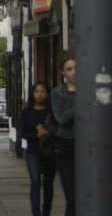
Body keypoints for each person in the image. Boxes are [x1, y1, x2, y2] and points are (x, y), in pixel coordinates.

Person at [20, 82, 56, 216]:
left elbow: (57, 130)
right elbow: (23, 133)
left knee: (48, 184)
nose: (39, 94)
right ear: (32, 94)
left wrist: (47, 133)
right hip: (33, 152)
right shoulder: (26, 112)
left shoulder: (51, 112)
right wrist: (37, 134)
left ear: (47, 94)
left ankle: (46, 212)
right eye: (36, 91)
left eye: (43, 91)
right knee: (35, 182)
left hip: (49, 152)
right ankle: (36, 213)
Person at [52, 51, 76, 216]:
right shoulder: (58, 93)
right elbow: (62, 119)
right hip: (66, 146)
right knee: (72, 196)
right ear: (63, 72)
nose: (74, 71)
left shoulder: (93, 89)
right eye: (69, 68)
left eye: (76, 67)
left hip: (89, 146)